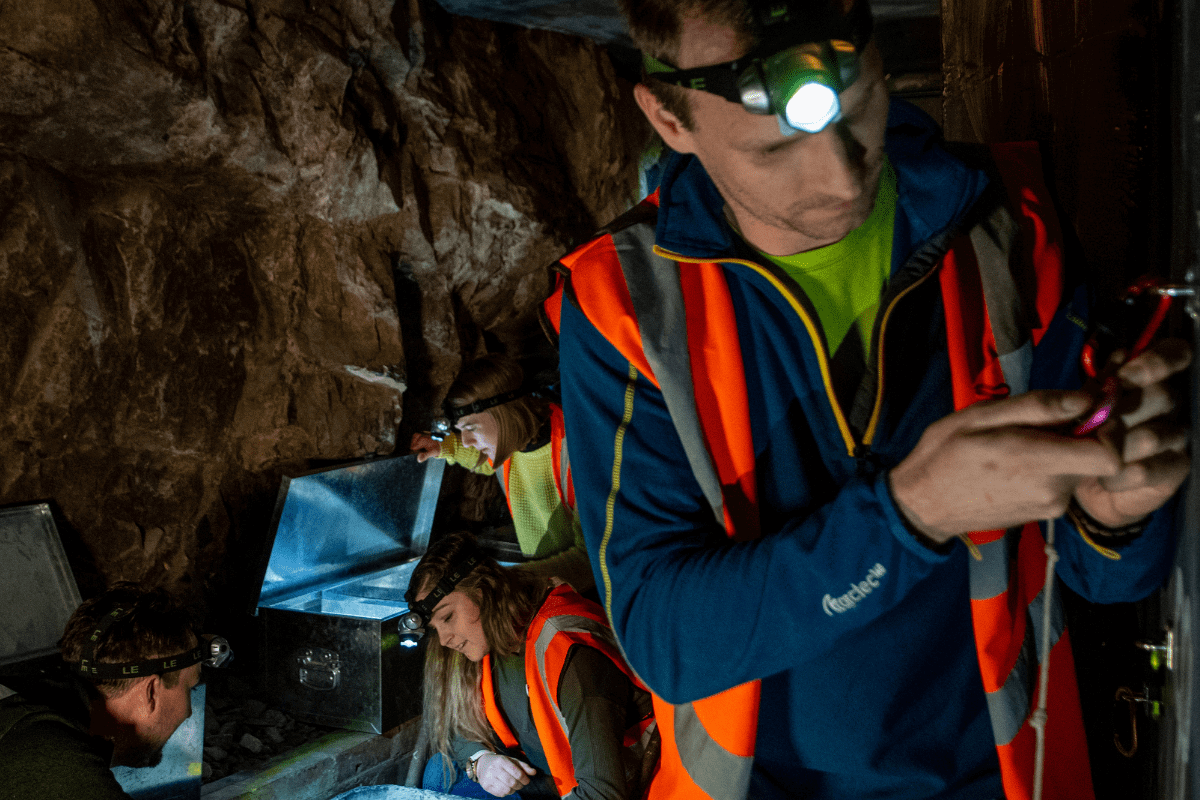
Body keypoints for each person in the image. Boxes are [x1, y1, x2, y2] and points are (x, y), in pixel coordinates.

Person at [547, 1, 1192, 799]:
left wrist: (1113, 515)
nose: (842, 176)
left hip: (994, 774)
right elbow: (664, 636)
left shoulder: (1003, 224)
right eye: (775, 148)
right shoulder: (625, 305)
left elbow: (1103, 579)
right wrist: (908, 514)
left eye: (859, 107)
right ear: (669, 119)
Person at [406, 531, 657, 799]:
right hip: (540, 776)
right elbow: (459, 725)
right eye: (435, 628)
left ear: (483, 592)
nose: (444, 640)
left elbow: (603, 794)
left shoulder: (572, 656)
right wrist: (480, 761)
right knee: (440, 772)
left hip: (591, 791)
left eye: (448, 617)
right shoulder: (491, 637)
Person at [0, 583, 212, 800]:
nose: (188, 712)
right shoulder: (62, 770)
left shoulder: (30, 718)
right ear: (150, 692)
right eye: (189, 688)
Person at [411, 354, 595, 594]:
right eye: (461, 430)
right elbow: (484, 461)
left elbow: (589, 562)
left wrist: (503, 582)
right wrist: (442, 447)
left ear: (505, 415)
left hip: (589, 595)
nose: (466, 441)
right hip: (550, 581)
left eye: (471, 428)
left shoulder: (579, 452)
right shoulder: (511, 443)